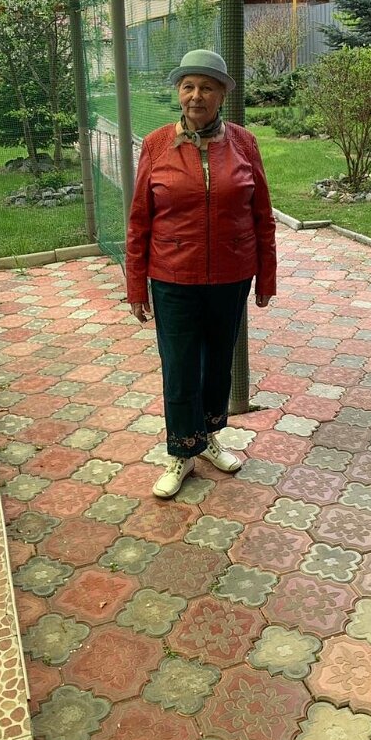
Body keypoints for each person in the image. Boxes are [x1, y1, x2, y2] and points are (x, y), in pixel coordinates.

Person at [126, 49, 277, 498]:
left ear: (222, 95)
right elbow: (139, 220)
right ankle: (181, 451)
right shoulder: (156, 144)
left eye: (207, 87)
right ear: (179, 92)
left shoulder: (245, 143)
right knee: (179, 366)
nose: (197, 96)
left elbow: (262, 215)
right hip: (172, 276)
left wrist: (266, 277)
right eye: (188, 86)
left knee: (217, 363)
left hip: (231, 276)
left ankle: (208, 438)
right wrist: (136, 287)